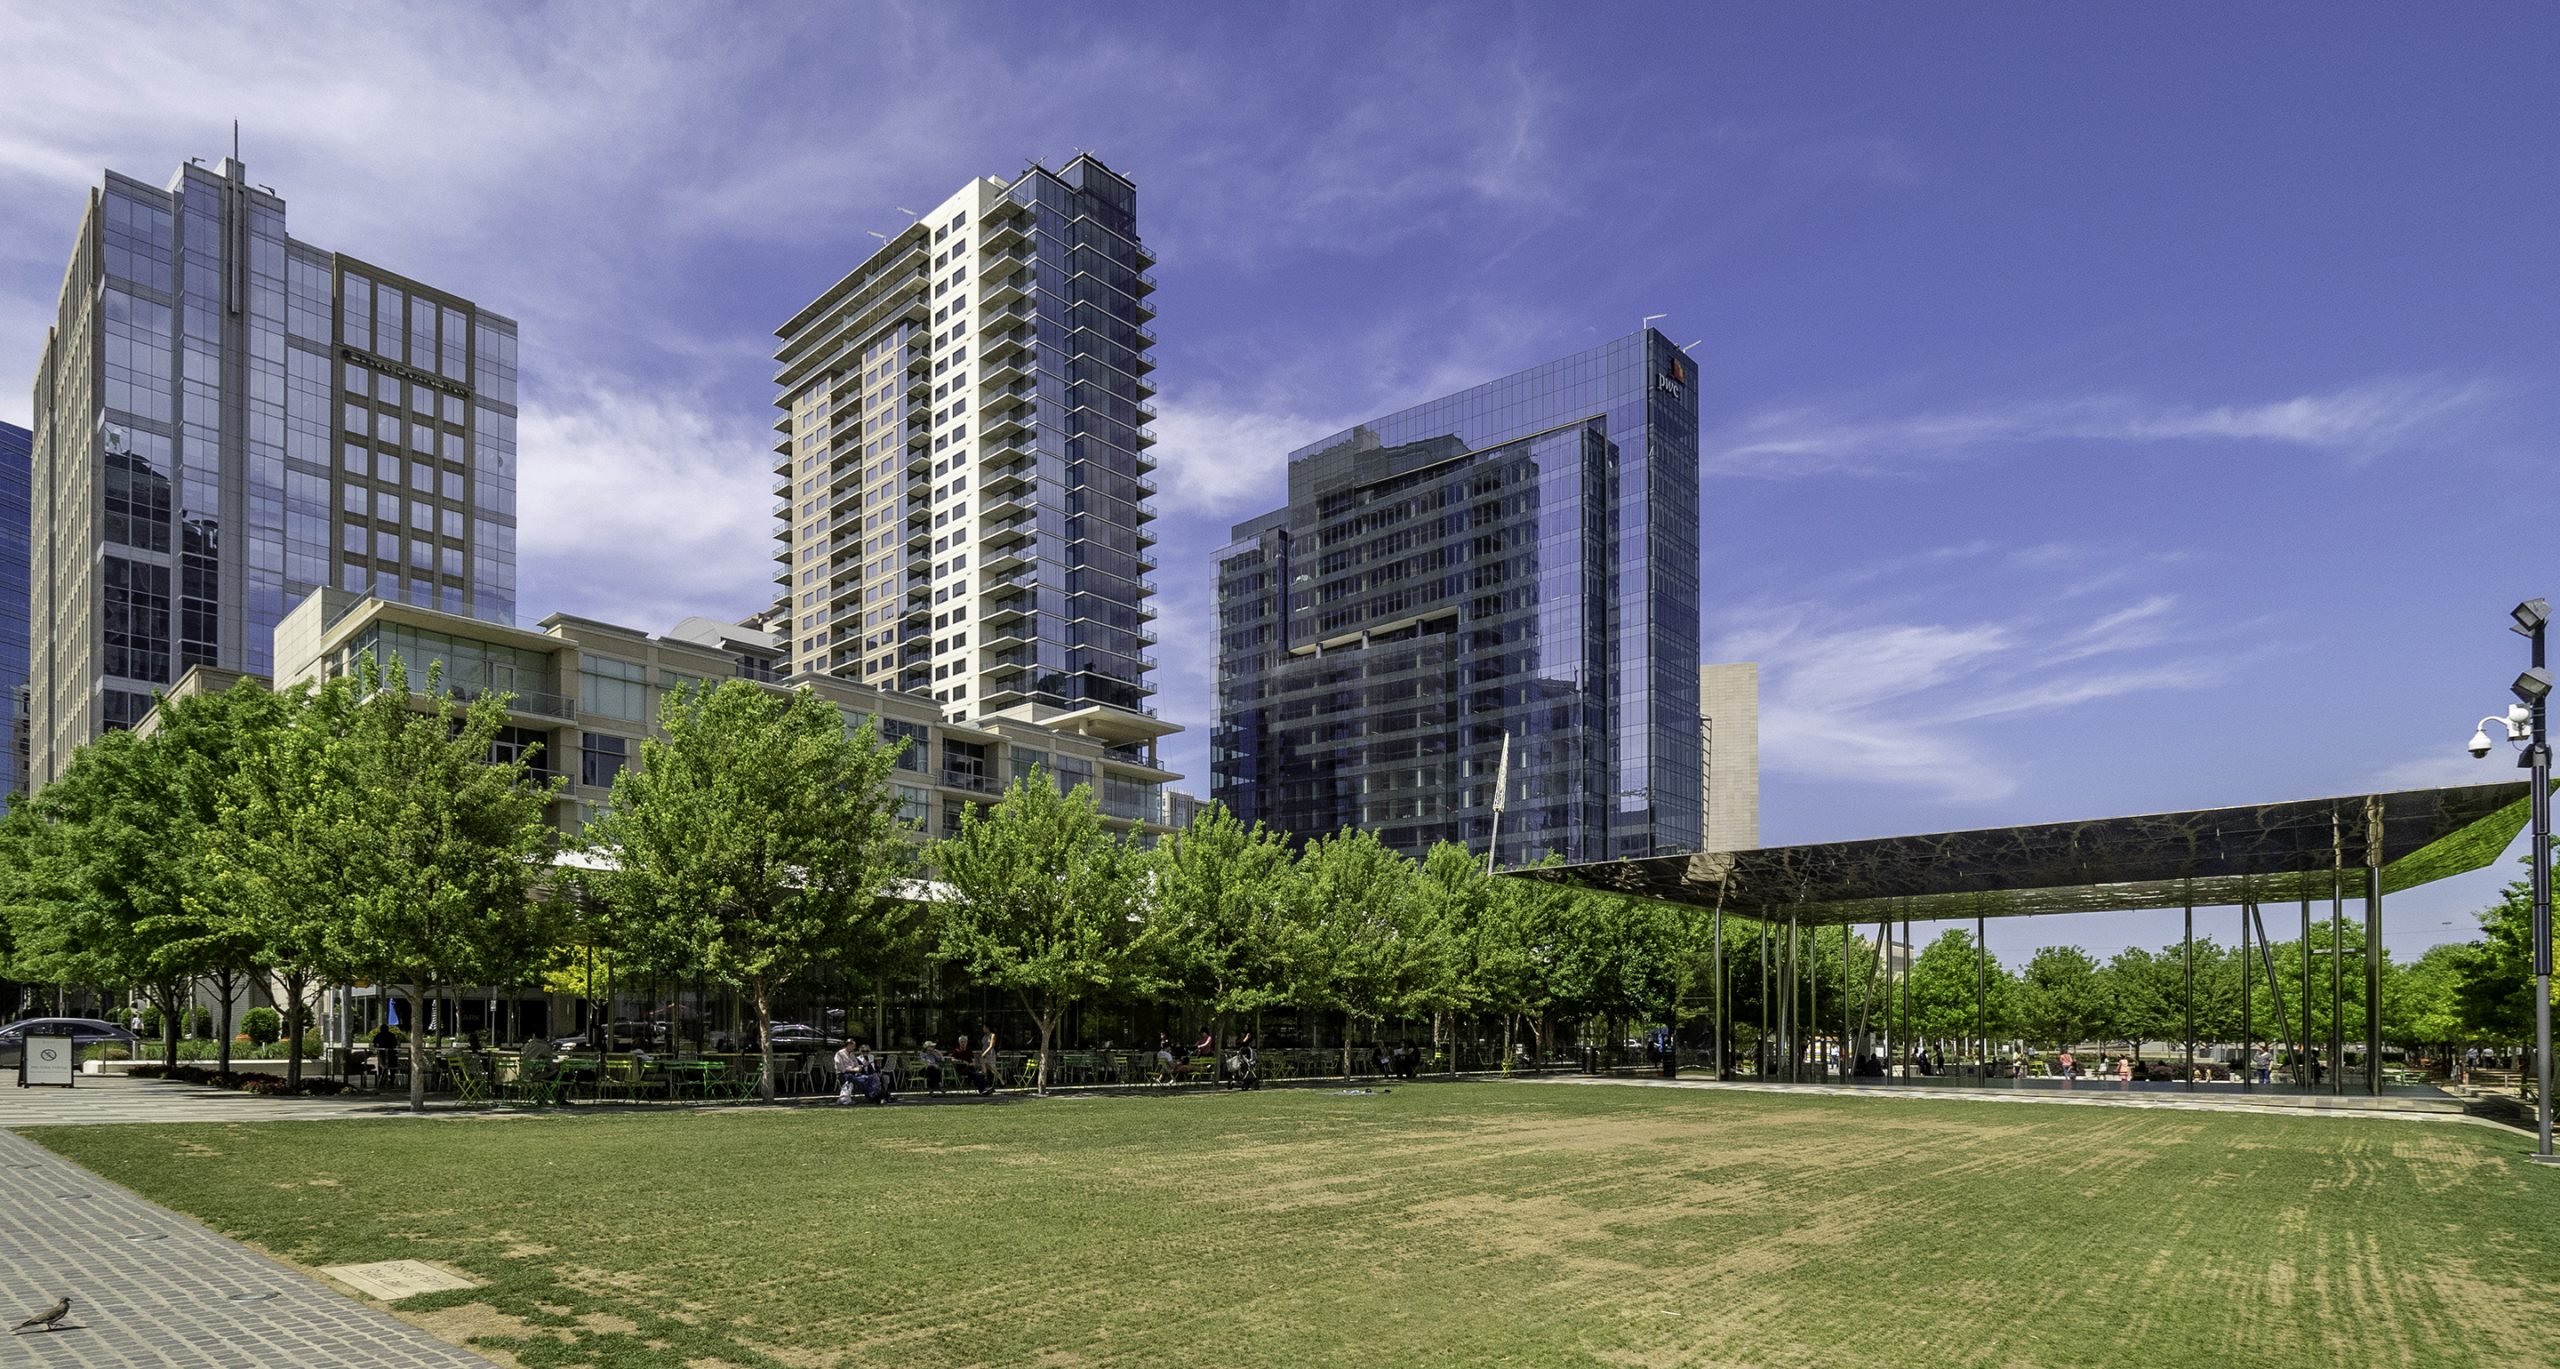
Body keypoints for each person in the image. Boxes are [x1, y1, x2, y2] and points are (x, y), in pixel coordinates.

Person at [833, 1040, 863, 1106]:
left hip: (853, 1073)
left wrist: (859, 1067)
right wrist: (852, 1069)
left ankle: (844, 1099)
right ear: (849, 1045)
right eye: (853, 1046)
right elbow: (840, 1068)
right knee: (850, 1078)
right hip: (842, 1073)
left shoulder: (852, 1054)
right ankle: (845, 1099)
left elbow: (856, 1064)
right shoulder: (839, 1054)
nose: (854, 1047)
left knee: (865, 1078)